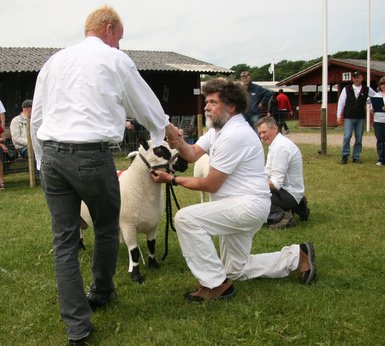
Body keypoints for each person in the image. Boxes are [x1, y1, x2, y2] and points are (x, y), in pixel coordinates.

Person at [30, 6, 181, 344]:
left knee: (65, 242)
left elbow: (37, 118)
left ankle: (77, 329)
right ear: (110, 29)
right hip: (91, 155)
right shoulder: (113, 59)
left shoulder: (53, 62)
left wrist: (42, 164)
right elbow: (144, 102)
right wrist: (164, 130)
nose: (120, 47)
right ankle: (101, 292)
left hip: (53, 156)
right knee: (107, 227)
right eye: (120, 39)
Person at [151, 78, 316, 302]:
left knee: (186, 219)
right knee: (236, 269)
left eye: (212, 102)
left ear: (232, 106)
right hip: (237, 205)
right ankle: (297, 256)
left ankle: (215, 285)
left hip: (246, 207)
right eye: (206, 102)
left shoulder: (235, 134)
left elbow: (210, 184)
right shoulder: (218, 130)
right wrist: (178, 141)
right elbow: (191, 154)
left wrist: (173, 179)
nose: (206, 107)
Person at [256, 116, 310, 229]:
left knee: (254, 198)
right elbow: (267, 173)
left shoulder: (280, 148)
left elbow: (275, 184)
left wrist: (253, 188)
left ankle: (283, 217)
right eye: (260, 133)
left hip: (288, 192)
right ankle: (299, 207)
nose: (262, 136)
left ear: (274, 129)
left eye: (264, 132)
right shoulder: (277, 144)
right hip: (291, 190)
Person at [336, 71, 376, 164]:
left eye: (358, 77)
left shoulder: (367, 89)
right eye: (354, 77)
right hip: (349, 116)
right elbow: (341, 102)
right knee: (347, 136)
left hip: (360, 117)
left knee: (359, 138)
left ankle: (356, 156)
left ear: (362, 78)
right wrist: (338, 115)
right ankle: (345, 156)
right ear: (352, 79)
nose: (356, 79)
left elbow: (376, 96)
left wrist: (373, 105)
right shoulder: (346, 89)